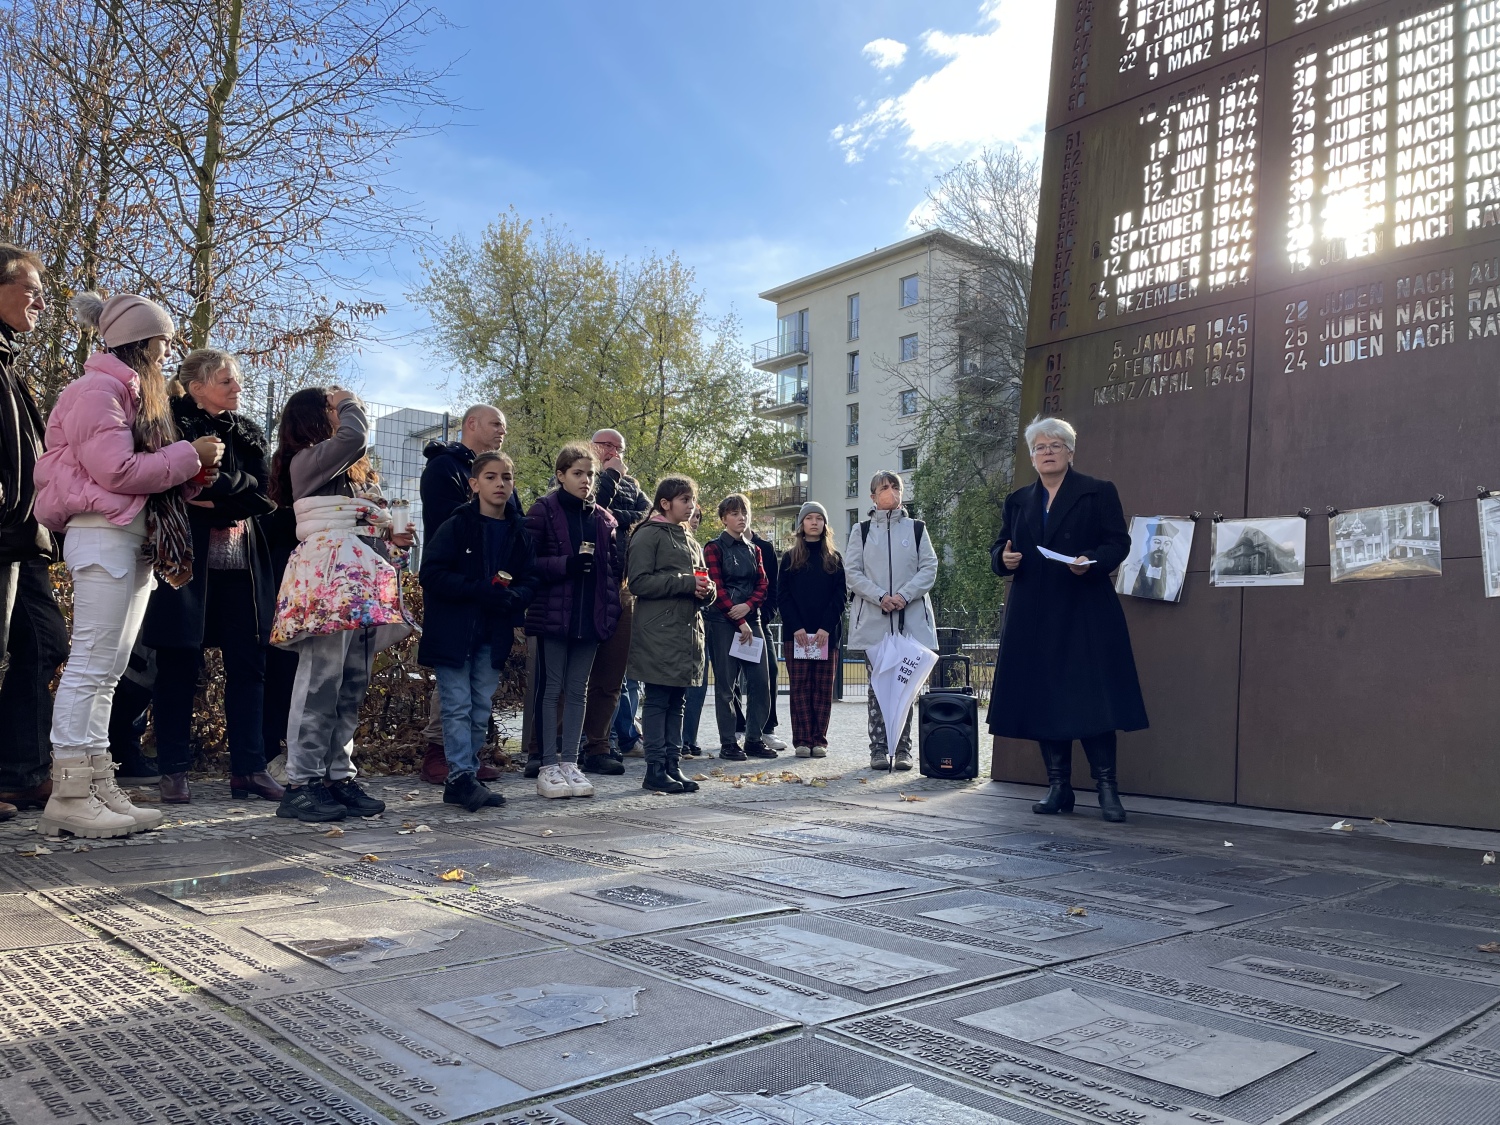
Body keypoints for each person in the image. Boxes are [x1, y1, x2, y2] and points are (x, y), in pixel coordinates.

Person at [33, 291, 223, 838]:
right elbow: (116, 470)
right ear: (139, 341)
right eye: (162, 344)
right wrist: (189, 455)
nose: (167, 355)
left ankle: (95, 783)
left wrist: (185, 473)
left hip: (126, 535)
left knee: (108, 671)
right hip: (103, 535)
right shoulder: (97, 390)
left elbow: (126, 471)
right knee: (93, 664)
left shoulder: (124, 391)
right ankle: (70, 792)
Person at [988, 416, 1147, 824]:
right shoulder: (1018, 499)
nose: (1046, 452)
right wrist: (1001, 560)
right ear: (1031, 456)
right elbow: (998, 546)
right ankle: (1058, 786)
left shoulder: (1097, 492)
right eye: (1039, 447)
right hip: (1033, 613)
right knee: (1043, 700)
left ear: (1070, 451)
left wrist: (1093, 561)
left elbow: (1118, 542)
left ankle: (1107, 789)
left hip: (1084, 611)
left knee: (1093, 702)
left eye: (1054, 445)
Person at [141, 348, 282, 804]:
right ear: (197, 386)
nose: (238, 387)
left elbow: (264, 496)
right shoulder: (168, 425)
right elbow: (174, 485)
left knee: (250, 667)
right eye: (227, 380)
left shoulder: (249, 432)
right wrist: (221, 491)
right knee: (179, 664)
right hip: (186, 563)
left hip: (243, 568)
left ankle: (250, 769)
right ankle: (174, 771)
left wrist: (216, 492)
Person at [268, 387, 413, 822]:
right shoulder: (306, 461)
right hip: (329, 577)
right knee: (320, 680)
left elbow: (370, 526)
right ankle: (301, 782)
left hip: (360, 581)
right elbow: (354, 438)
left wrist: (393, 537)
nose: (349, 414)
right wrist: (351, 402)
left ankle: (336, 776)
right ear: (315, 417)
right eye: (336, 410)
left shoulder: (353, 477)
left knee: (351, 682)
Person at [419, 451, 536, 811]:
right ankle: (460, 777)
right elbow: (431, 574)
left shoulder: (519, 532)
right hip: (454, 631)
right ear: (474, 484)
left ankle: (464, 774)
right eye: (491, 477)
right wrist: (476, 589)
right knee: (456, 705)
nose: (500, 484)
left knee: (480, 705)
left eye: (507, 477)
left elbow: (531, 579)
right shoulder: (456, 525)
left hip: (493, 630)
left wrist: (515, 596)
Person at [0, 245, 69, 822]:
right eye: (30, 287)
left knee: (44, 644)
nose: (41, 301)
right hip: (4, 530)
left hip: (25, 538)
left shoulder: (9, 365)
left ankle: (22, 774)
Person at [418, 404, 511, 785]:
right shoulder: (444, 469)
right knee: (455, 688)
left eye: (503, 478)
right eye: (495, 424)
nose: (502, 431)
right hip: (457, 594)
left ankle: (467, 757)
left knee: (478, 693)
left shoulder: (498, 479)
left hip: (491, 597)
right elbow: (449, 532)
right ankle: (440, 754)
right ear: (471, 424)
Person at [524, 443, 622, 799]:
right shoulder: (543, 511)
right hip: (554, 615)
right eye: (577, 473)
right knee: (552, 689)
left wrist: (609, 614)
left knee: (578, 689)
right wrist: (564, 564)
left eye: (591, 474)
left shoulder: (604, 518)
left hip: (589, 616)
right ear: (561, 475)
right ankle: (547, 763)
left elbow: (613, 571)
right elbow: (527, 562)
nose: (585, 481)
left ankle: (570, 762)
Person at [626, 475, 715, 793]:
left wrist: (708, 591)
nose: (692, 506)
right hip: (658, 631)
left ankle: (672, 765)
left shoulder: (688, 537)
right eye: (685, 500)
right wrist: (685, 582)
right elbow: (638, 582)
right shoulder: (647, 535)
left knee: (678, 700)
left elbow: (699, 579)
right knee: (658, 699)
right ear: (665, 503)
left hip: (687, 630)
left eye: (693, 500)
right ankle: (654, 769)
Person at [845, 470, 938, 771]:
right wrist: (881, 596)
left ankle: (903, 749)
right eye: (883, 487)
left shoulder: (916, 529)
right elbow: (853, 572)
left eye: (894, 486)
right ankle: (878, 748)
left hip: (909, 620)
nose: (889, 491)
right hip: (875, 620)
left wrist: (904, 595)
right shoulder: (860, 531)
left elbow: (929, 568)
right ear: (872, 496)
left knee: (906, 686)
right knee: (878, 686)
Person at [578, 428, 650, 775]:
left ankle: (600, 743)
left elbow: (648, 516)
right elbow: (589, 511)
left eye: (618, 447)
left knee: (613, 675)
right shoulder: (578, 475)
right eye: (606, 446)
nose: (612, 452)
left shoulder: (633, 485)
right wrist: (607, 478)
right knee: (574, 674)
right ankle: (564, 745)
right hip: (584, 585)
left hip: (621, 584)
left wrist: (614, 517)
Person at [702, 493, 774, 762]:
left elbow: (763, 585)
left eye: (744, 512)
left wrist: (748, 608)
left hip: (750, 619)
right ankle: (729, 742)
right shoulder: (713, 548)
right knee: (726, 684)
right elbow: (716, 588)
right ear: (723, 518)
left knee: (760, 682)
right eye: (734, 513)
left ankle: (754, 739)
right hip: (722, 622)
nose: (740, 517)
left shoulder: (754, 549)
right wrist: (738, 618)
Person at [779, 502, 845, 758]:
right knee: (800, 688)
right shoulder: (789, 558)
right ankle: (802, 741)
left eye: (819, 518)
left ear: (825, 524)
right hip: (796, 636)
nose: (814, 522)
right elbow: (782, 596)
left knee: (822, 689)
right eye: (810, 518)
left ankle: (819, 740)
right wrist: (796, 627)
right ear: (802, 524)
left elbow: (840, 596)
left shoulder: (834, 559)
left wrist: (825, 628)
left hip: (826, 636)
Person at [679, 505, 711, 758]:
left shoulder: (698, 548)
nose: (695, 519)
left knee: (697, 686)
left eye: (698, 516)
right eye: (692, 514)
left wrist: (707, 589)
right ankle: (674, 741)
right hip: (672, 624)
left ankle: (689, 737)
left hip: (698, 623)